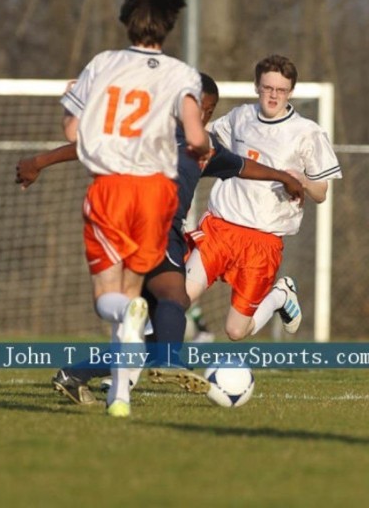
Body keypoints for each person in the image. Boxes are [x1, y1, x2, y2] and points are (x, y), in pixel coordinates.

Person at [17, 72, 304, 404]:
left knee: (161, 320)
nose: (204, 117)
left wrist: (284, 177)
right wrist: (38, 162)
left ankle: (78, 374)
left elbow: (241, 166)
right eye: (200, 109)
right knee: (171, 300)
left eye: (208, 111)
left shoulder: (205, 149)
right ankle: (167, 362)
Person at [57, 0, 212, 417]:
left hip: (111, 187)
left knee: (110, 298)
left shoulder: (102, 63)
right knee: (132, 298)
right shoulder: (183, 74)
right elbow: (196, 136)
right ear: (168, 25)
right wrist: (198, 147)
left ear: (127, 19)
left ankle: (126, 312)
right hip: (156, 193)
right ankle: (119, 397)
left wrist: (70, 105)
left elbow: (72, 131)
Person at [180, 54, 342, 353]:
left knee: (236, 330)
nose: (273, 95)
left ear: (291, 91)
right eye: (268, 88)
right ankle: (129, 368)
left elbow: (321, 193)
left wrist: (302, 180)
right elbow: (201, 140)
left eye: (281, 90)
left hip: (263, 242)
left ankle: (280, 296)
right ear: (257, 86)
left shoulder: (307, 133)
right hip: (220, 228)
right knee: (180, 300)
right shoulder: (239, 118)